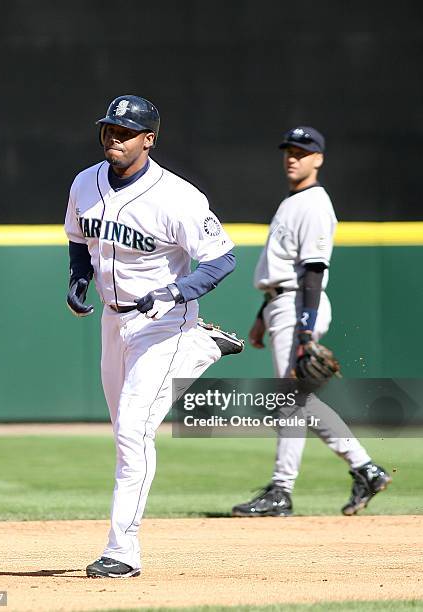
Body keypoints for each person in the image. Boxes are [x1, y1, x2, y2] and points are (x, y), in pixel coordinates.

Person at [64, 95, 243, 578]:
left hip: (164, 323)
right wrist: (78, 280)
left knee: (133, 433)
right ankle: (205, 346)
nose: (114, 139)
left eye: (125, 133)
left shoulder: (178, 198)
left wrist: (175, 290)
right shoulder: (85, 183)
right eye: (109, 130)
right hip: (113, 321)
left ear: (149, 140)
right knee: (123, 426)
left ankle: (122, 551)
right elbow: (79, 241)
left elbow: (223, 258)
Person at [231, 126, 391, 518]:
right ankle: (366, 469)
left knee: (290, 402)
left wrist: (305, 329)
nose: (292, 157)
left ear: (318, 159)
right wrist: (261, 315)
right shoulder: (294, 201)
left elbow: (313, 273)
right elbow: (282, 267)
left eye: (302, 152)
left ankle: (282, 490)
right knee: (301, 402)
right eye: (288, 150)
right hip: (280, 305)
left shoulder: (315, 204)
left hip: (299, 305)